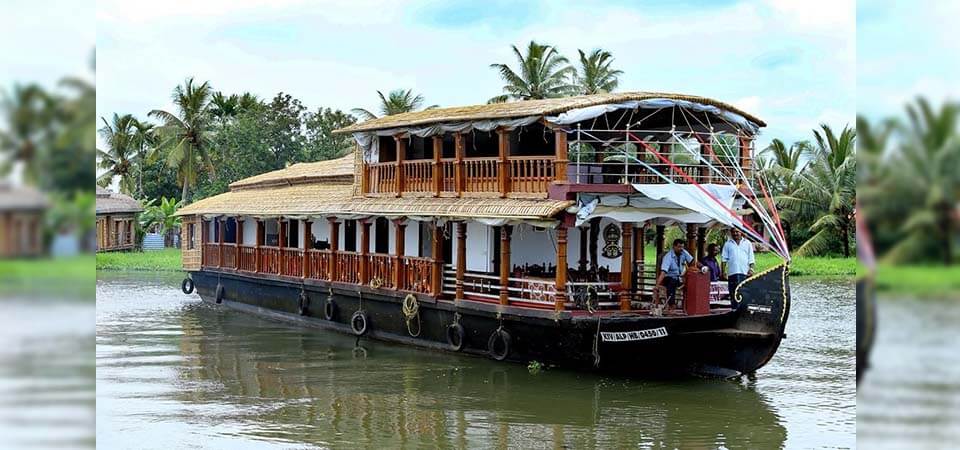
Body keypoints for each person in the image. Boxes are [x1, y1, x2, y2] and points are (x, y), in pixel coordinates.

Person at [721, 228, 755, 308]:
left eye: (737, 232)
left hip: (744, 273)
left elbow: (751, 258)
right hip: (732, 273)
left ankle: (743, 309)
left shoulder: (747, 243)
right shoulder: (727, 244)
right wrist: (723, 272)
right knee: (733, 293)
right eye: (733, 232)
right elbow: (724, 259)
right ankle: (734, 309)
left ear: (741, 232)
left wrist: (751, 269)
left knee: (744, 292)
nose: (735, 234)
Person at [655, 238, 694, 307]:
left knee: (692, 281)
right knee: (672, 282)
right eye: (679, 247)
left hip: (680, 278)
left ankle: (690, 305)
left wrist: (702, 267)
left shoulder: (683, 252)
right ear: (674, 247)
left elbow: (692, 261)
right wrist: (657, 285)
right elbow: (663, 272)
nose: (681, 249)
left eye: (682, 247)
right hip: (668, 277)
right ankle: (671, 305)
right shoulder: (668, 257)